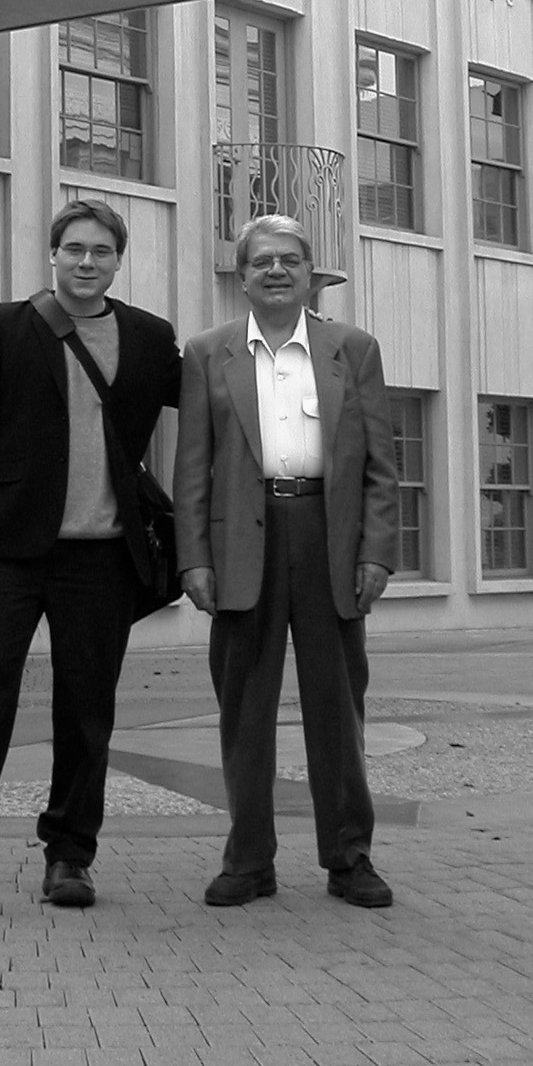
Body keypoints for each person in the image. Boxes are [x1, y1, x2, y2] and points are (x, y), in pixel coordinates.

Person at [0, 198, 182, 917]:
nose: (87, 262)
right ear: (53, 255)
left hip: (103, 557)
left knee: (87, 712)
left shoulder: (148, 338)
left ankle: (70, 857)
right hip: (7, 550)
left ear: (119, 260)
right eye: (74, 249)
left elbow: (215, 406)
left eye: (101, 252)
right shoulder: (9, 325)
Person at [173, 214, 400, 909]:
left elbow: (383, 469)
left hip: (327, 538)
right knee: (245, 711)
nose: (276, 270)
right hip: (243, 541)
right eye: (261, 261)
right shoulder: (208, 353)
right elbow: (192, 469)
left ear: (311, 274)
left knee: (337, 708)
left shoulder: (353, 349)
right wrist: (195, 561)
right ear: (239, 276)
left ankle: (349, 857)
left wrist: (377, 554)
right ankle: (249, 861)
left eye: (290, 261)